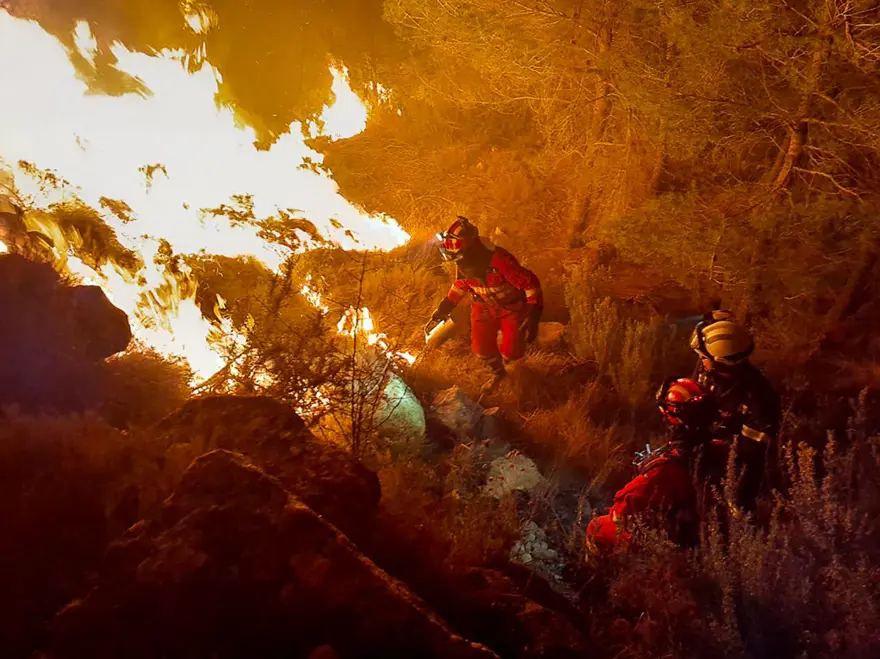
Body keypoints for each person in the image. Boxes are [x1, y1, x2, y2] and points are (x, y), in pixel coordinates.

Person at [586, 378, 725, 555]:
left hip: (677, 544)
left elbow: (623, 510)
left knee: (597, 526)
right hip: (711, 536)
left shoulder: (667, 470)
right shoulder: (721, 449)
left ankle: (605, 576)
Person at [426, 217, 543, 392]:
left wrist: (533, 315)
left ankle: (515, 378)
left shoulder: (500, 260)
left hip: (510, 307)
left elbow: (530, 284)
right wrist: (445, 308)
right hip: (483, 307)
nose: (456, 260)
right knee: (482, 349)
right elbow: (460, 285)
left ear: (470, 249)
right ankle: (499, 374)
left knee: (512, 350)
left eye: (456, 255)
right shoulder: (465, 263)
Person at [689, 316, 781, 511]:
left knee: (739, 502)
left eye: (703, 357)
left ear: (721, 361)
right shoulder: (710, 372)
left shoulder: (757, 397)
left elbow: (752, 454)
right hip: (711, 443)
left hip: (736, 459)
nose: (700, 360)